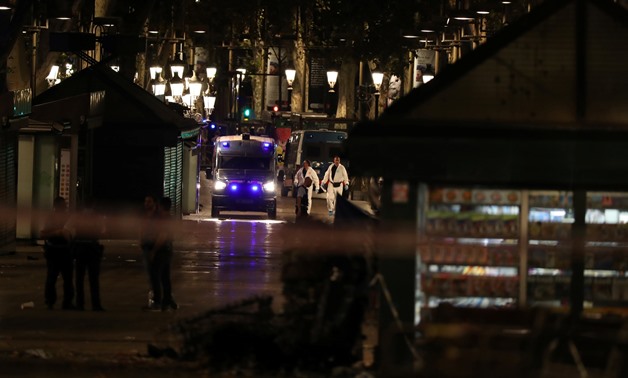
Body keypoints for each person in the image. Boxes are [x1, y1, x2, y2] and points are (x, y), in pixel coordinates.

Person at [66, 198, 106, 311]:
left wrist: (73, 239)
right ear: (93, 205)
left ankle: (80, 304)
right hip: (93, 248)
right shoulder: (98, 217)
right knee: (94, 278)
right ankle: (96, 304)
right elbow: (102, 231)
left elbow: (67, 229)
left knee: (79, 278)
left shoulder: (77, 216)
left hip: (80, 248)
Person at [40, 196, 74, 310]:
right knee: (55, 277)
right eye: (63, 206)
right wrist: (58, 233)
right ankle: (54, 301)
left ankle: (62, 301)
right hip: (55, 250)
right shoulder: (51, 218)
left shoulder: (67, 217)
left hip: (62, 250)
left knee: (63, 278)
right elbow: (43, 234)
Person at [152, 197, 178, 311]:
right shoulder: (171, 219)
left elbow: (162, 235)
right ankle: (167, 300)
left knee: (157, 276)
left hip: (162, 250)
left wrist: (154, 250)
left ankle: (161, 300)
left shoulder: (163, 219)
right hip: (168, 249)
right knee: (165, 277)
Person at [139, 194, 160, 311]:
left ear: (154, 204)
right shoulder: (144, 216)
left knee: (155, 275)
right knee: (151, 275)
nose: (146, 204)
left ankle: (157, 300)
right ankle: (155, 300)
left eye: (149, 202)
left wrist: (155, 249)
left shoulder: (157, 218)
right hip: (146, 246)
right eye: (146, 201)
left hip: (153, 247)